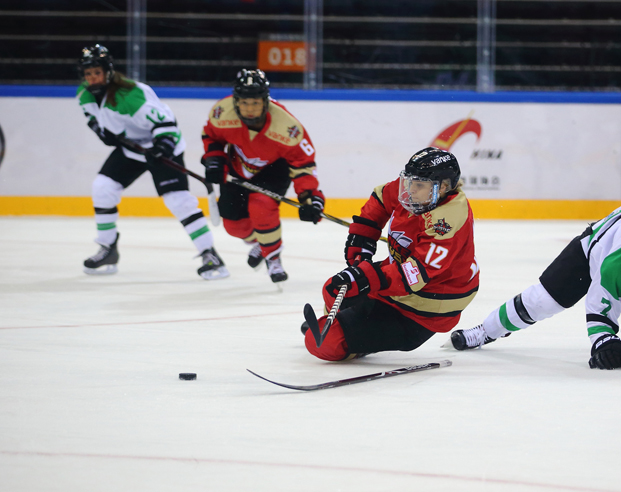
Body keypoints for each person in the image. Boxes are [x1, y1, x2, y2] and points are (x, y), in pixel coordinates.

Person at [451, 201, 621, 370]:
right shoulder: (615, 263)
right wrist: (604, 341)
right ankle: (484, 331)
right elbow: (598, 311)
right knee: (541, 301)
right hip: (593, 246)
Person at [303, 147, 480, 361]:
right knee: (335, 288)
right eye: (409, 182)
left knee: (324, 343)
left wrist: (367, 278)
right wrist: (362, 241)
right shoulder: (420, 188)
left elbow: (416, 274)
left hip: (428, 304)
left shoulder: (447, 221)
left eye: (418, 185)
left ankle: (349, 338)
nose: (410, 190)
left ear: (442, 187)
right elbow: (381, 198)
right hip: (401, 285)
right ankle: (345, 329)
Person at [77, 44, 228, 279]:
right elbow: (97, 122)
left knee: (178, 201)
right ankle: (108, 249)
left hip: (161, 146)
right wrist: (102, 130)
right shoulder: (85, 94)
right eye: (88, 74)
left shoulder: (129, 95)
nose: (92, 78)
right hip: (131, 149)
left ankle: (211, 255)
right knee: (102, 188)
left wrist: (162, 147)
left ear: (108, 72)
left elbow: (166, 123)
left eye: (96, 72)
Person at [201, 69, 325, 283]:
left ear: (266, 102)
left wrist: (310, 198)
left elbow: (303, 164)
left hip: (274, 169)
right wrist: (214, 159)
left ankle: (273, 257)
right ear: (236, 101)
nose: (250, 109)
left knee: (261, 205)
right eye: (245, 103)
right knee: (234, 226)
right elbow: (212, 136)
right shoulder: (222, 112)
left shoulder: (287, 127)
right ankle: (261, 243)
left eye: (256, 103)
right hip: (237, 167)